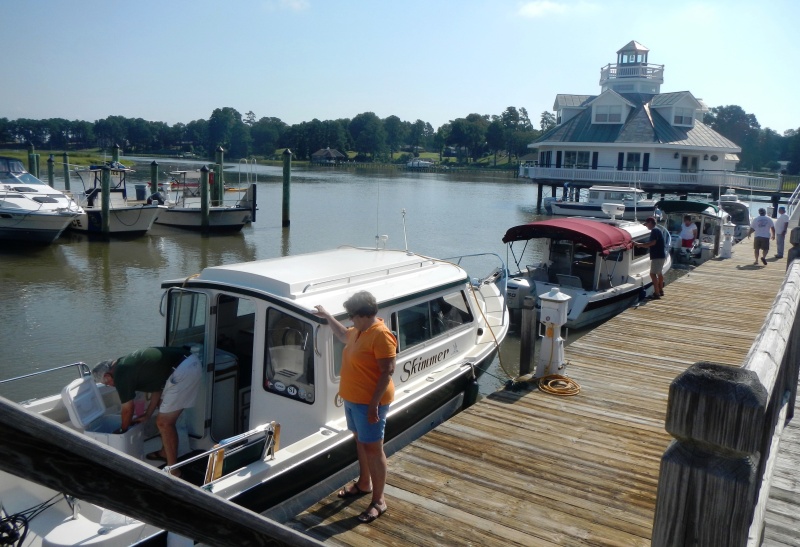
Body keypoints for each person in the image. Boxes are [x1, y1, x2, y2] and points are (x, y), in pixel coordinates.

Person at [313, 291, 396, 524]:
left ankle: (379, 501)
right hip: (353, 400)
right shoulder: (359, 331)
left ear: (362, 314)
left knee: (374, 449)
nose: (349, 320)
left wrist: (373, 406)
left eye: (351, 315)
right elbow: (342, 334)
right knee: (361, 442)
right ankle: (364, 483)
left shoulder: (380, 335)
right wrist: (327, 315)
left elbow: (387, 371)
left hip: (369, 404)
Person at [93, 347, 202, 476]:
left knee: (164, 423)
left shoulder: (120, 374)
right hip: (187, 364)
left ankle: (174, 471)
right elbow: (157, 387)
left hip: (183, 370)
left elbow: (128, 409)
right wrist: (148, 414)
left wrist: (122, 430)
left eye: (107, 383)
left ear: (107, 375)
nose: (110, 385)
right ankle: (164, 453)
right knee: (162, 411)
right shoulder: (125, 364)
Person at [633, 217, 666, 299]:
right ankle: (661, 290)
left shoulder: (654, 230)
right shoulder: (658, 230)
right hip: (661, 255)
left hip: (657, 256)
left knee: (652, 274)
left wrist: (640, 245)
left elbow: (652, 243)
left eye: (647, 224)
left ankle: (656, 293)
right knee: (659, 273)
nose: (646, 226)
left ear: (651, 222)